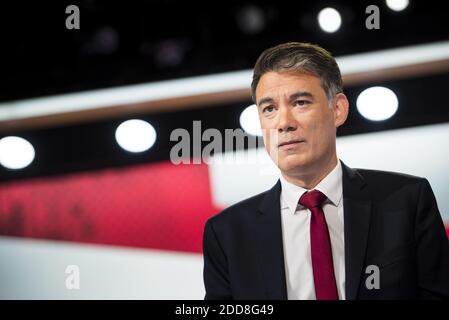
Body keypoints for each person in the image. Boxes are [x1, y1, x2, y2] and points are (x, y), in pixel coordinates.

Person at [202, 42, 449, 300]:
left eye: (300, 102)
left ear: (338, 109)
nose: (284, 123)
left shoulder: (407, 201)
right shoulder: (227, 234)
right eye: (269, 109)